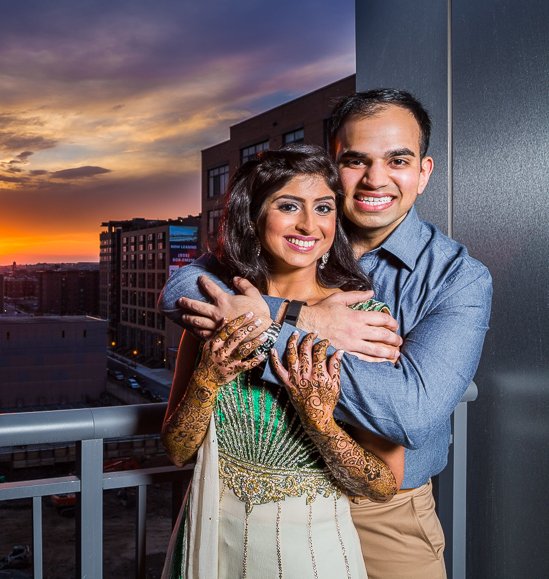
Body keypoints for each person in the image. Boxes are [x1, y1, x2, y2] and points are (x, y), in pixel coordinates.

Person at [158, 89, 492, 579]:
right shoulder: (287, 240)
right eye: (356, 161)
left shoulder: (457, 277)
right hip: (238, 512)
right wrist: (305, 317)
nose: (376, 178)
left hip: (381, 511)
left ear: (423, 172)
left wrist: (272, 331)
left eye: (397, 160)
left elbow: (412, 416)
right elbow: (181, 291)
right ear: (335, 168)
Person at [161, 145, 404, 578]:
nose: (309, 224)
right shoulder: (219, 310)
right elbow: (177, 450)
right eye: (289, 206)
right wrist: (207, 379)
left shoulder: (362, 323)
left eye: (324, 208)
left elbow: (384, 485)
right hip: (211, 536)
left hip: (309, 552)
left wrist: (320, 422)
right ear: (253, 218)